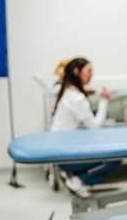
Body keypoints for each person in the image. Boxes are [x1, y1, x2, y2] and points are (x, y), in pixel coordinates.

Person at [51, 57, 121, 198]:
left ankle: (71, 175)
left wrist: (84, 89)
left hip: (58, 151)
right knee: (116, 157)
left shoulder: (65, 89)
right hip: (65, 157)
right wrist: (104, 100)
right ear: (77, 72)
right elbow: (95, 126)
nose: (91, 75)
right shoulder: (77, 98)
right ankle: (78, 180)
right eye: (88, 71)